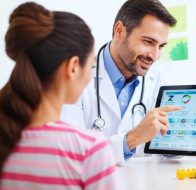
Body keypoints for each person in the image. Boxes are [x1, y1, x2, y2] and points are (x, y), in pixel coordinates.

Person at [0, 2, 117, 189]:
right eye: (92, 65)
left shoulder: (6, 136)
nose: (91, 74)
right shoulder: (90, 150)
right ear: (72, 67)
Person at [61, 0, 180, 163]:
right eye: (148, 42)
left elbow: (164, 148)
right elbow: (69, 152)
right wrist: (133, 138)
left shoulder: (158, 78)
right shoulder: (76, 76)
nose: (155, 55)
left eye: (161, 46)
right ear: (119, 30)